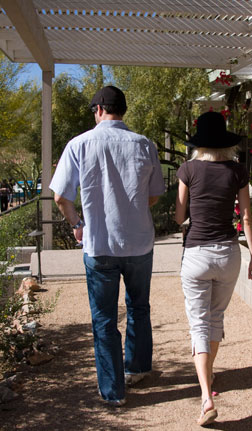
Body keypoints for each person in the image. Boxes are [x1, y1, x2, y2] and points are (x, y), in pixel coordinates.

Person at [50, 85, 165, 406]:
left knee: (103, 318)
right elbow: (154, 194)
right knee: (139, 307)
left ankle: (113, 391)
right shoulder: (144, 145)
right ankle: (139, 368)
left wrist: (77, 224)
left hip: (99, 244)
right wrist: (133, 211)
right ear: (122, 110)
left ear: (99, 109)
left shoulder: (79, 145)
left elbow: (61, 196)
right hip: (140, 243)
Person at [175, 111, 252, 426]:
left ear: (199, 143)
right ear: (226, 143)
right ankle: (207, 372)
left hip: (196, 254)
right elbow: (247, 218)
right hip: (228, 254)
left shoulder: (187, 169)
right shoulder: (238, 171)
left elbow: (179, 216)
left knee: (199, 323)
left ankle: (206, 396)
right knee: (215, 318)